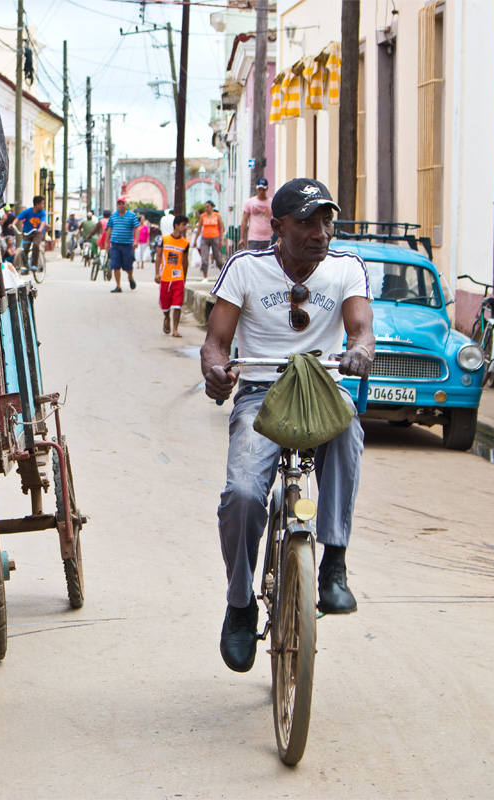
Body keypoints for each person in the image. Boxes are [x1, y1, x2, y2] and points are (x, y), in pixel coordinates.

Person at [200, 178, 375, 674]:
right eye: (307, 223)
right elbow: (216, 343)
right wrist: (215, 371)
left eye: (326, 222)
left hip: (323, 388)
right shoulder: (245, 268)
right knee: (242, 495)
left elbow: (362, 330)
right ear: (277, 227)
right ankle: (239, 604)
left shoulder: (346, 267)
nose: (321, 233)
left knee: (348, 430)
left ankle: (333, 563)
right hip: (261, 394)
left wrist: (360, 352)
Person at [155, 214, 189, 337]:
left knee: (177, 304)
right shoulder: (163, 239)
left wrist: (184, 277)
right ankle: (167, 317)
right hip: (165, 276)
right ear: (176, 225)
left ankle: (175, 329)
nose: (185, 227)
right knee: (165, 304)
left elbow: (185, 261)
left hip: (178, 278)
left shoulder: (185, 243)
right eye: (183, 225)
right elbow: (158, 256)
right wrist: (157, 273)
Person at [106, 197, 139, 293]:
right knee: (115, 265)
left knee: (128, 266)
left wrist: (136, 241)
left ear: (126, 204)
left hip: (127, 245)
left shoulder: (132, 216)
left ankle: (130, 277)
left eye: (123, 203)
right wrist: (106, 242)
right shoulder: (113, 216)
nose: (121, 205)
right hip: (115, 244)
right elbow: (109, 229)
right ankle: (118, 286)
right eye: (119, 204)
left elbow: (136, 229)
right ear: (117, 205)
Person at [15, 195, 48, 271]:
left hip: (37, 233)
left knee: (36, 245)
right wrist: (12, 224)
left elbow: (43, 222)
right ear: (37, 204)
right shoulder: (28, 211)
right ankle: (25, 267)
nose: (43, 205)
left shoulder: (42, 212)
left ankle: (34, 265)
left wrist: (40, 229)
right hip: (27, 232)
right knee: (25, 248)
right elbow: (18, 218)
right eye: (42, 203)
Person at [240, 178, 273, 251]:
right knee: (253, 257)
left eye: (263, 189)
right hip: (254, 238)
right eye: (259, 189)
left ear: (267, 188)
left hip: (268, 238)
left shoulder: (271, 202)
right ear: (257, 188)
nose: (261, 192)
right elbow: (244, 221)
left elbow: (276, 219)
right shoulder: (249, 202)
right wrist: (241, 238)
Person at [196, 200, 226, 278]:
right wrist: (195, 240)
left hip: (215, 237)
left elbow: (222, 228)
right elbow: (199, 229)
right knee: (204, 258)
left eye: (208, 207)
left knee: (218, 257)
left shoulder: (217, 215)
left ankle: (222, 273)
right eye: (205, 207)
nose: (206, 209)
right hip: (205, 238)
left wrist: (222, 239)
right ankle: (205, 276)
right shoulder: (203, 216)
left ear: (212, 207)